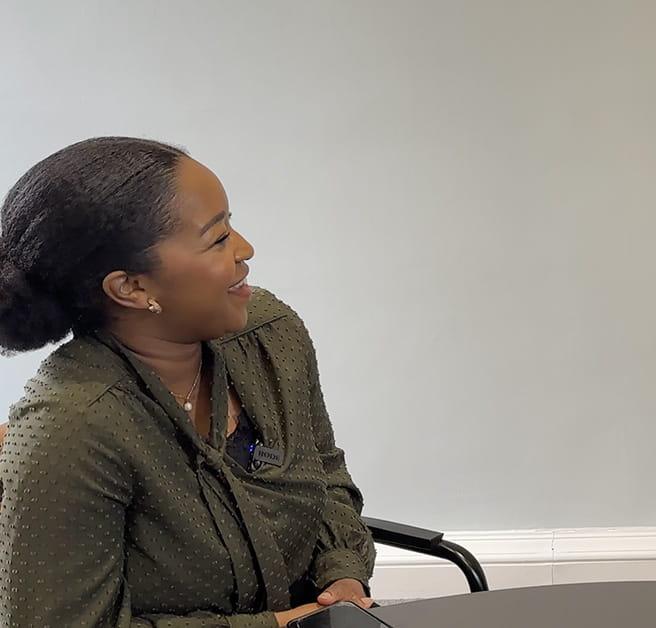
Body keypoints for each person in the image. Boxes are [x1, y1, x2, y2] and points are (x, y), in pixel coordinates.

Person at [0, 137, 375, 627]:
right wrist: (278, 625)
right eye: (218, 239)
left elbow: (323, 472)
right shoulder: (69, 427)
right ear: (131, 287)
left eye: (231, 225)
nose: (245, 249)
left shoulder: (269, 335)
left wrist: (342, 575)